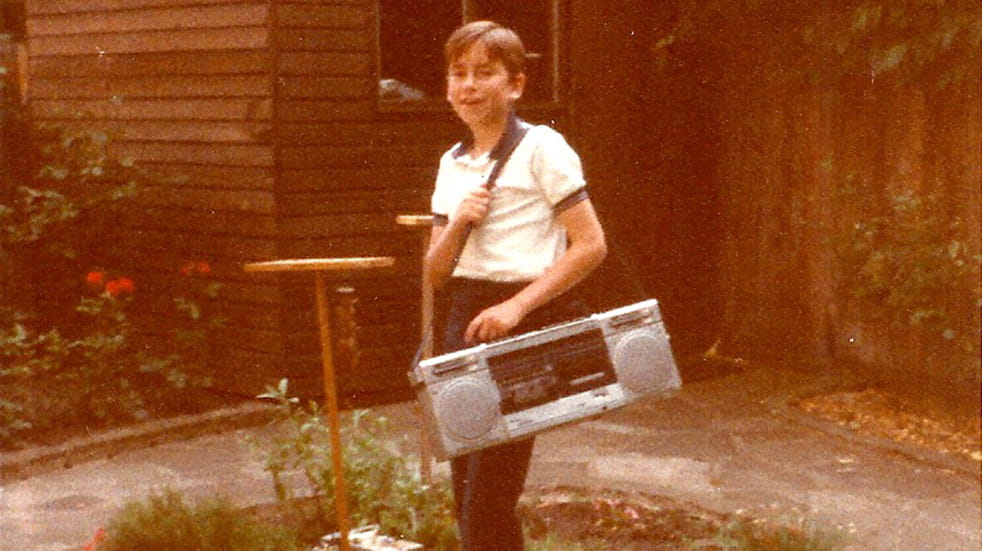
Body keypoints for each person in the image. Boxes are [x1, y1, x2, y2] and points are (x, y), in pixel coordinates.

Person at [423, 20, 608, 551]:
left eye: (485, 73)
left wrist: (516, 307)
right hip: (464, 319)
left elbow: (592, 245)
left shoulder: (542, 148)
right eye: (459, 73)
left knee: (489, 497)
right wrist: (458, 221)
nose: (469, 85)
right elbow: (434, 273)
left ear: (516, 86)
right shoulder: (451, 163)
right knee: (467, 497)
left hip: (523, 322)